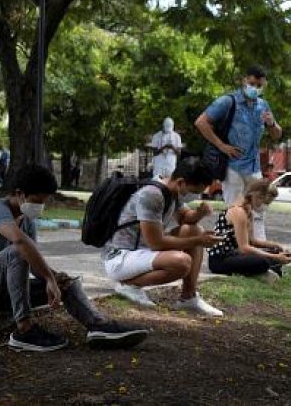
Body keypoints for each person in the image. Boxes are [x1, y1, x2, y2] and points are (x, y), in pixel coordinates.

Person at [0, 164, 148, 352]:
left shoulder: (26, 220)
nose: (40, 207)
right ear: (20, 193)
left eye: (43, 202)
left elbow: (30, 261)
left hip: (2, 291)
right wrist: (48, 278)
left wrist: (55, 279)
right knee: (18, 250)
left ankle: (99, 326)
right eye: (37, 201)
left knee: (66, 282)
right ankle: (25, 330)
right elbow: (21, 246)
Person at [103, 157, 224, 315]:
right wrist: (200, 241)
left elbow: (185, 218)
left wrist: (200, 213)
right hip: (121, 256)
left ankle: (188, 297)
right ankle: (128, 285)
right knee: (182, 263)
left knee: (194, 230)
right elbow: (156, 243)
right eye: (194, 192)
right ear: (181, 182)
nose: (195, 196)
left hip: (143, 253)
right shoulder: (152, 195)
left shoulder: (171, 191)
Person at [195, 65, 282, 242]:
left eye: (259, 86)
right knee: (234, 209)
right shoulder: (228, 101)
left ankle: (260, 250)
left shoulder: (263, 105)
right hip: (232, 165)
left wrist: (272, 124)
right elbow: (201, 122)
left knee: (258, 210)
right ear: (244, 81)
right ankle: (232, 249)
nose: (255, 89)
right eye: (252, 84)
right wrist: (221, 145)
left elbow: (277, 135)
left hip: (254, 166)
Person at [208, 178, 290, 283]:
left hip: (235, 254)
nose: (263, 206)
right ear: (258, 197)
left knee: (275, 253)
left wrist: (275, 246)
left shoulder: (248, 212)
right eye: (264, 202)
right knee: (263, 262)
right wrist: (274, 257)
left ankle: (270, 268)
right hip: (221, 259)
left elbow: (252, 241)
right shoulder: (239, 212)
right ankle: (266, 271)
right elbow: (244, 248)